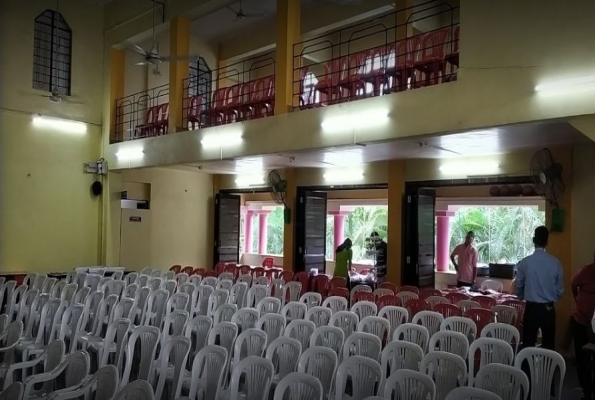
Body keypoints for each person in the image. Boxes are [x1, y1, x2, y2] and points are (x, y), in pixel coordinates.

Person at [515, 226, 563, 350]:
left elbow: (518, 286)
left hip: (531, 308)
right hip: (548, 309)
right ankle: (547, 369)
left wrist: (523, 295)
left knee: (528, 345)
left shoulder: (525, 263)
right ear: (547, 241)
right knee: (548, 347)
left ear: (533, 240)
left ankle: (526, 369)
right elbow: (559, 291)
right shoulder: (555, 263)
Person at [571, 251, 595, 400]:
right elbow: (573, 284)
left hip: (593, 323)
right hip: (581, 319)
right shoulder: (587, 271)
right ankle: (586, 389)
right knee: (582, 356)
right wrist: (578, 300)